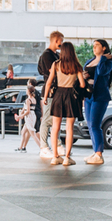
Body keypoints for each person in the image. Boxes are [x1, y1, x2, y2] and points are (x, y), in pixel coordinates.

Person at [44, 42, 86, 166]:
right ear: (72, 52)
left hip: (58, 96)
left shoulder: (56, 64)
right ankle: (67, 157)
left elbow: (48, 82)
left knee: (55, 127)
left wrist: (46, 97)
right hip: (71, 97)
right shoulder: (77, 66)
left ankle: (55, 156)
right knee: (69, 128)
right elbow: (83, 85)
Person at [82, 39, 112, 166]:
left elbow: (101, 72)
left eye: (97, 45)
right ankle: (95, 151)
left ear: (104, 48)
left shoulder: (108, 61)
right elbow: (86, 72)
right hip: (88, 95)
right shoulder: (90, 61)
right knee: (90, 124)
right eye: (93, 45)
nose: (94, 47)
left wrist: (102, 58)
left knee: (96, 125)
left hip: (100, 96)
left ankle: (99, 154)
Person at [35, 31, 65, 160]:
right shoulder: (47, 55)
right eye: (60, 41)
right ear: (55, 40)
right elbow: (51, 72)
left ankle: (56, 145)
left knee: (55, 120)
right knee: (47, 119)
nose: (61, 44)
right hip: (50, 91)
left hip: (55, 91)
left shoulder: (55, 55)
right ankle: (44, 147)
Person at [15, 79, 44, 152]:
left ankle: (42, 148)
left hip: (29, 117)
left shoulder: (28, 99)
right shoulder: (34, 97)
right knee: (24, 132)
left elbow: (27, 109)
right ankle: (21, 147)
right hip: (34, 115)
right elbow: (41, 104)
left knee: (33, 134)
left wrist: (20, 116)